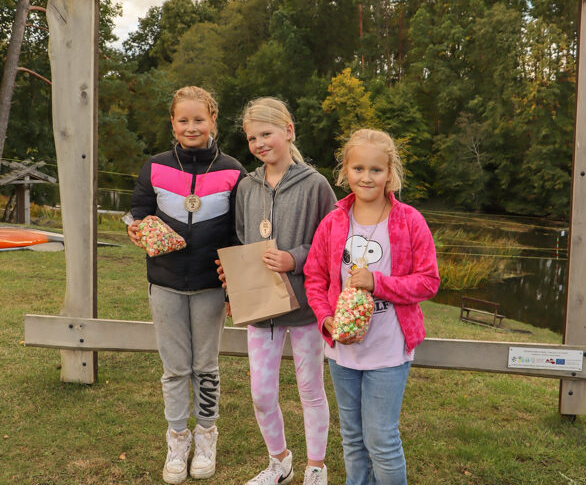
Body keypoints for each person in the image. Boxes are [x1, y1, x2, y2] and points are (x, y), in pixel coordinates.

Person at [304, 128, 440, 485]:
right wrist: (326, 318)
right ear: (345, 171)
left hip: (388, 349)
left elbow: (429, 281)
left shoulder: (409, 221)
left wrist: (378, 283)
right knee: (352, 437)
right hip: (343, 352)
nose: (366, 177)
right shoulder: (333, 222)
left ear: (389, 172)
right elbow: (315, 278)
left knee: (381, 439)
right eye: (358, 168)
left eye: (376, 170)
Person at [127, 86, 246, 484]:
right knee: (175, 368)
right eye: (183, 120)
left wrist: (235, 286)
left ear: (213, 120)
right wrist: (136, 229)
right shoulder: (155, 166)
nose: (191, 127)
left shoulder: (233, 170)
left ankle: (206, 435)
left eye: (199, 119)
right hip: (165, 283)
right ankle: (177, 439)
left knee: (206, 367)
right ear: (173, 123)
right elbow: (138, 213)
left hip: (211, 285)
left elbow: (240, 232)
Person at [224, 97, 336, 485]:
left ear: (288, 131)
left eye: (266, 134)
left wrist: (295, 258)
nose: (259, 144)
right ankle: (280, 462)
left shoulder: (316, 185)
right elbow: (241, 241)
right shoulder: (246, 187)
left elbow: (331, 242)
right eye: (252, 138)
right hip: (262, 310)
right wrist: (234, 288)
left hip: (306, 307)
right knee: (260, 392)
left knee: (311, 390)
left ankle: (316, 467)